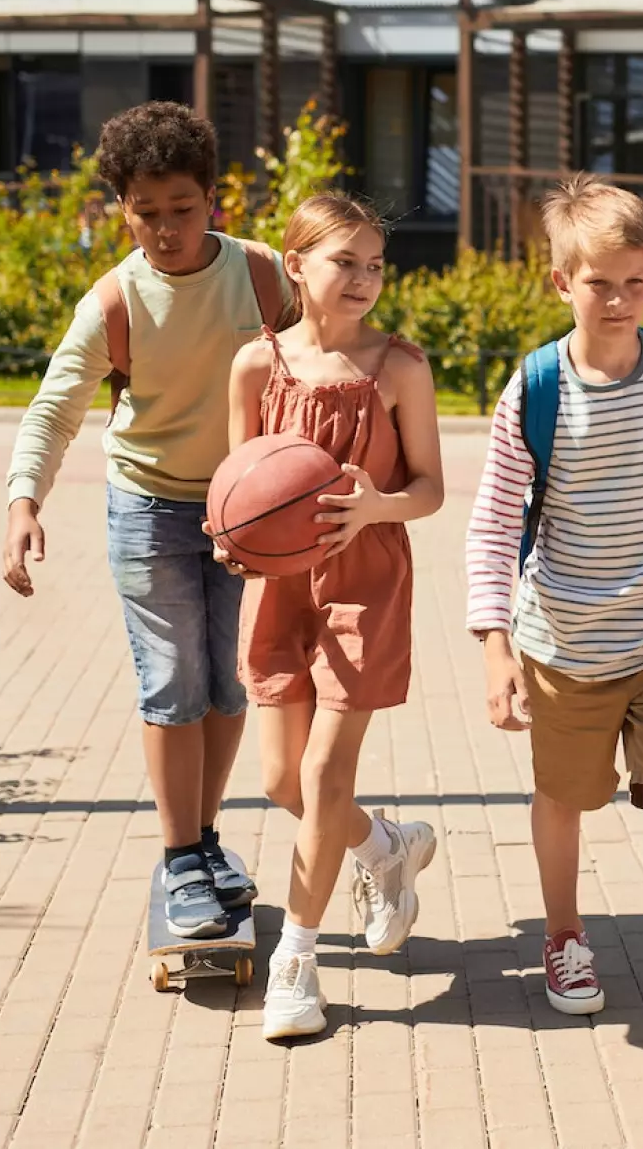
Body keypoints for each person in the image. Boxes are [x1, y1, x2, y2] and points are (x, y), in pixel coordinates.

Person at [464, 174, 643, 1080]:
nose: (620, 301)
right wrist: (495, 642)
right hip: (567, 646)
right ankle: (563, 933)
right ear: (561, 283)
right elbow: (496, 520)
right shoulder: (536, 388)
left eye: (637, 281)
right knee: (565, 800)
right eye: (600, 284)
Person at [3, 101, 288, 938]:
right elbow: (55, 409)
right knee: (173, 682)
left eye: (182, 210)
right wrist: (25, 501)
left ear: (215, 201)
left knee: (227, 683)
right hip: (149, 505)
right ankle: (178, 861)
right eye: (146, 213)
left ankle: (204, 839)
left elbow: (322, 364)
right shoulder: (114, 301)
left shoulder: (267, 279)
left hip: (246, 512)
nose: (165, 231)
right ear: (121, 209)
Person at [215, 193, 445, 1041]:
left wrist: (374, 507)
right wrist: (231, 541)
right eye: (344, 260)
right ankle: (385, 845)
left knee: (321, 779)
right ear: (296, 264)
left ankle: (295, 962)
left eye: (375, 263)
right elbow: (237, 483)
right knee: (283, 781)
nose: (363, 279)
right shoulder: (255, 366)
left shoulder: (400, 369)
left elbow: (430, 488)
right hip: (278, 591)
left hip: (366, 585)